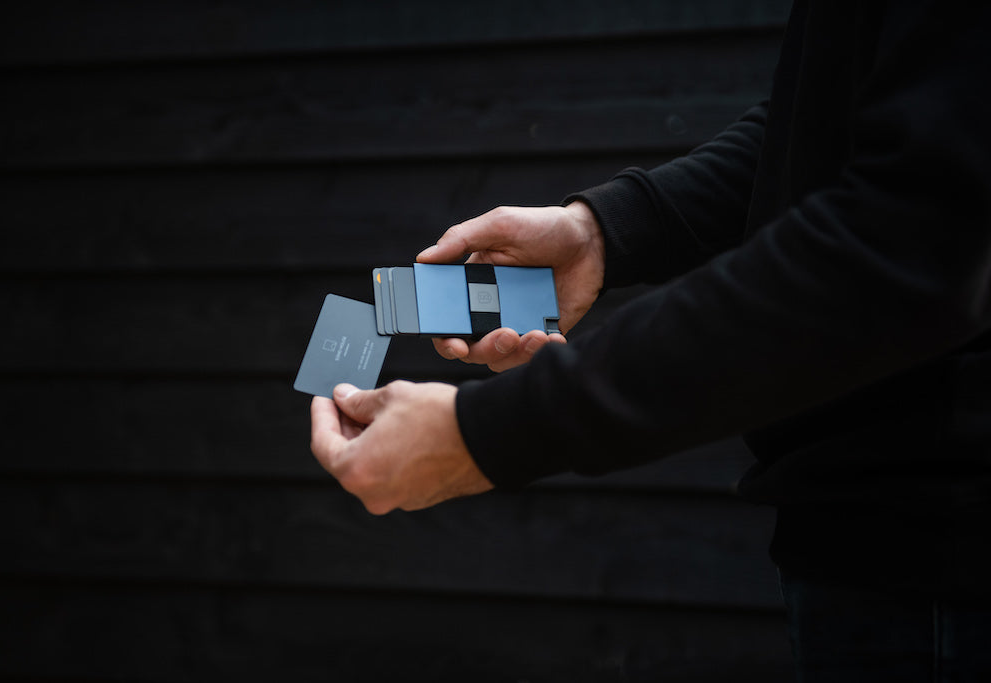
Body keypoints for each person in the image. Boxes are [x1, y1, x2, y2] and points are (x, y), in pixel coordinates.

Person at [311, 1, 991, 680]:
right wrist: (606, 230)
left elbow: (911, 237)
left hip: (939, 568)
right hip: (864, 544)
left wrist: (490, 433)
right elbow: (819, 135)